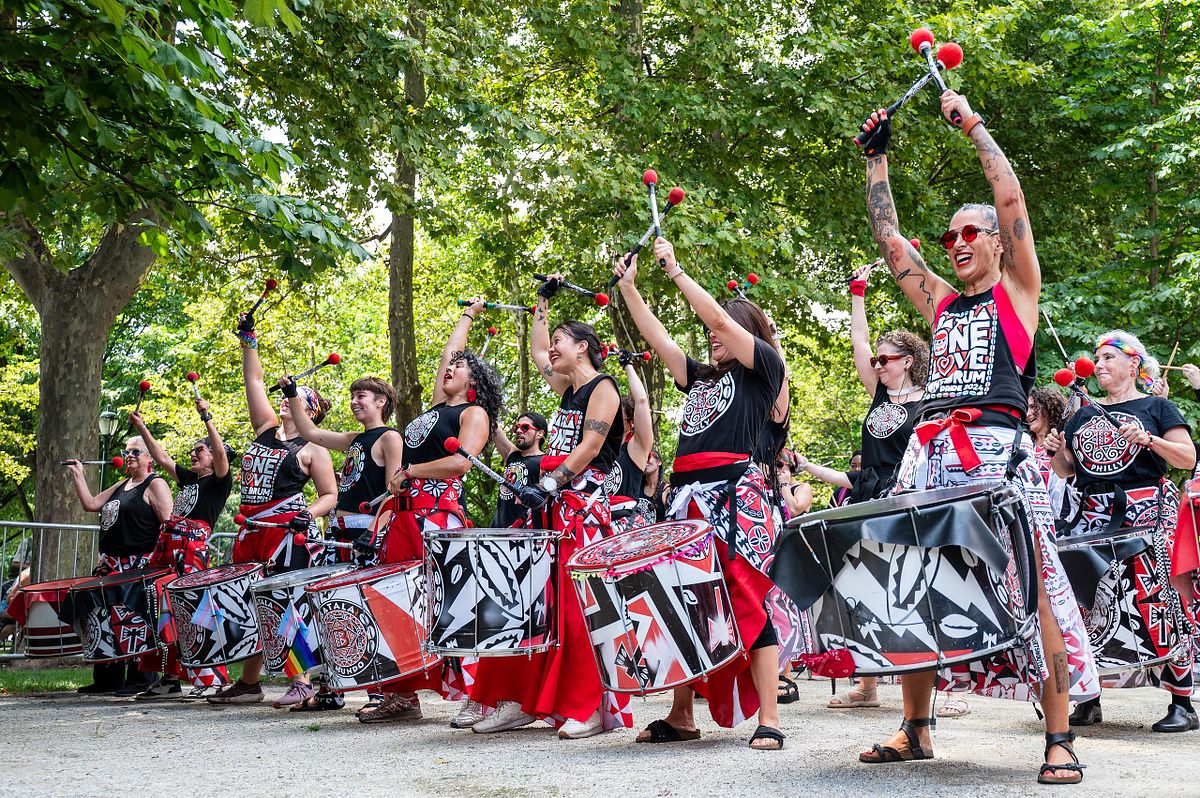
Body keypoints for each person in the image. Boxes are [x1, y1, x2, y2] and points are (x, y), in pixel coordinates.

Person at [854, 89, 1099, 783]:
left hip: (997, 456)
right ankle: (915, 728)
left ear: (996, 242)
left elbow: (1013, 200)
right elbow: (888, 239)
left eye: (972, 233)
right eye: (951, 236)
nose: (958, 243)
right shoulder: (939, 303)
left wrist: (975, 128)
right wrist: (877, 161)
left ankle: (1058, 739)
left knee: (1039, 588)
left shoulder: (1017, 293)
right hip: (928, 456)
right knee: (913, 584)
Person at [615, 238, 786, 751]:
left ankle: (771, 718)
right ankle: (682, 715)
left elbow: (718, 319)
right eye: (712, 332)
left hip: (737, 500)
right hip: (687, 498)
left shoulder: (764, 372)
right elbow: (662, 340)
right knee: (684, 600)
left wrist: (677, 274)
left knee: (744, 599)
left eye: (724, 329)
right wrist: (629, 291)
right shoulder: (701, 379)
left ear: (746, 333)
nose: (714, 336)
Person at [468, 279, 630, 740]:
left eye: (561, 340)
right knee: (534, 600)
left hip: (584, 502)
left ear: (582, 347)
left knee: (580, 606)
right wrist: (541, 302)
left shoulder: (603, 387)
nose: (551, 350)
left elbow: (592, 445)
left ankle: (593, 706)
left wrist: (551, 481)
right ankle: (522, 701)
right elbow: (540, 354)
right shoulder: (565, 384)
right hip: (553, 502)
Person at [359, 298, 501, 725]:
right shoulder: (438, 407)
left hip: (437, 516)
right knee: (398, 601)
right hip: (404, 516)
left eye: (459, 367)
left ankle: (479, 693)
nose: (449, 369)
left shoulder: (474, 413)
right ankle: (402, 692)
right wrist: (468, 315)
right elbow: (446, 354)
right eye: (450, 367)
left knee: (450, 602)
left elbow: (462, 463)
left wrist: (412, 469)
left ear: (472, 380)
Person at [1047, 331, 1197, 732]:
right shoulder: (1082, 413)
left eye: (1109, 357)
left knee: (1156, 602)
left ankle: (1182, 702)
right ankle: (1089, 698)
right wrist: (1055, 451)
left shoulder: (1157, 406)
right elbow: (1067, 469)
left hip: (1144, 513)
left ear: (1133, 364)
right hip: (1090, 517)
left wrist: (1148, 440)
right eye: (1097, 359)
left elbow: (1187, 457)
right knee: (1085, 605)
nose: (1099, 365)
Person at [820, 259, 936, 713]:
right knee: (861, 582)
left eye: (886, 360)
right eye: (876, 361)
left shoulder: (927, 401)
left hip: (905, 498)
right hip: (867, 497)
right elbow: (858, 342)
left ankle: (933, 687)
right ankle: (867, 683)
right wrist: (857, 293)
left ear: (907, 362)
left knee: (912, 586)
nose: (877, 364)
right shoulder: (877, 396)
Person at [206, 314, 338, 705]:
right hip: (252, 529)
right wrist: (249, 341)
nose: (286, 399)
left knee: (286, 604)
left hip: (289, 534)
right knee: (251, 602)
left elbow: (329, 495)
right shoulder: (264, 429)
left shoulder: (314, 449)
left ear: (310, 410)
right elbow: (254, 381)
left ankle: (302, 681)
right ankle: (249, 683)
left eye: (299, 398)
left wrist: (310, 514)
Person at [278, 375, 403, 712]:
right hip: (337, 534)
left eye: (360, 396)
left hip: (367, 535)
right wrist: (291, 394)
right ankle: (333, 688)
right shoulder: (353, 440)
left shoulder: (389, 438)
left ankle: (378, 691)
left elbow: (395, 493)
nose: (354, 402)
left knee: (367, 611)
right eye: (351, 397)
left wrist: (375, 533)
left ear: (381, 401)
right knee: (326, 608)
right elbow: (310, 433)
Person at [129, 400, 234, 699]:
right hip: (168, 548)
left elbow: (221, 455)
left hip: (190, 552)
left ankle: (211, 679)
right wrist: (142, 427)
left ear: (215, 456)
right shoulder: (190, 479)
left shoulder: (219, 481)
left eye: (200, 450)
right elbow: (161, 458)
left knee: (194, 611)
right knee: (162, 610)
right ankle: (169, 678)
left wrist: (207, 418)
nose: (193, 454)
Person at [66, 436, 173, 696]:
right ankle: (107, 679)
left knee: (135, 621)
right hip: (111, 564)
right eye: (127, 452)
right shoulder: (122, 484)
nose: (130, 455)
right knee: (103, 619)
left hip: (139, 565)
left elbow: (169, 524)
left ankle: (142, 678)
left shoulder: (155, 484)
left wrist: (158, 563)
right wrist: (78, 475)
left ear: (150, 457)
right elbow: (91, 504)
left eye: (136, 451)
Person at [606, 351, 655, 534]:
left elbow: (641, 401)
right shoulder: (594, 448)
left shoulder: (635, 448)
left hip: (624, 525)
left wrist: (628, 366)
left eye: (618, 417)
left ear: (631, 423)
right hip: (595, 522)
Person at [491, 412, 548, 529]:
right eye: (516, 427)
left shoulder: (546, 461)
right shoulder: (512, 454)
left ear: (540, 434)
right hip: (497, 531)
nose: (518, 431)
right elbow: (493, 426)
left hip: (526, 535)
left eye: (525, 427)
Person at [1026, 387, 1072, 519]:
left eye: (1034, 407)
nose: (1028, 414)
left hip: (1061, 522)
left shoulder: (1065, 443)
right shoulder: (1023, 444)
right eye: (1027, 408)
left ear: (1049, 407)